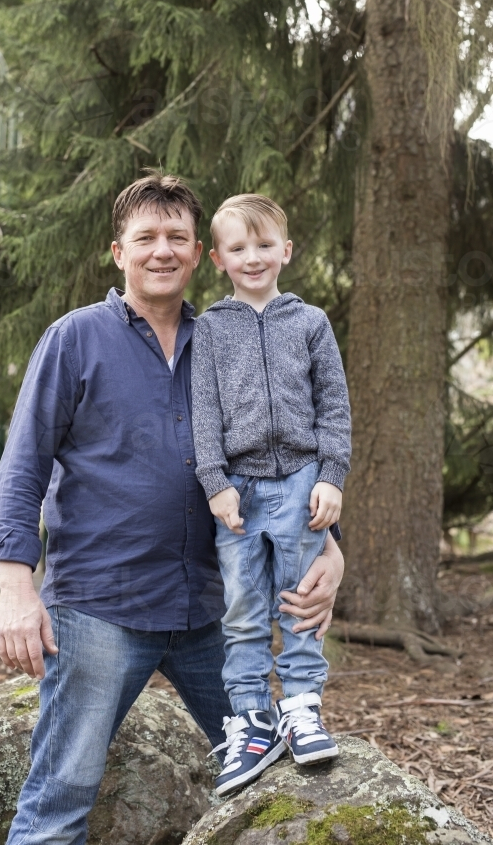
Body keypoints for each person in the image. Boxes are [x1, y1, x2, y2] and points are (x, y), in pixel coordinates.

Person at [0, 173, 345, 845]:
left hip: (208, 607)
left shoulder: (228, 335)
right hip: (100, 606)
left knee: (273, 780)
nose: (161, 250)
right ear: (117, 252)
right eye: (145, 237)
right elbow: (24, 463)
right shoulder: (75, 339)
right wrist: (14, 586)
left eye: (175, 236)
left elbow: (281, 444)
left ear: (196, 252)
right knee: (60, 797)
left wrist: (328, 546)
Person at [191, 193, 351, 796]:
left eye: (264, 246)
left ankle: (302, 705)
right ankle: (252, 719)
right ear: (217, 258)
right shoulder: (208, 329)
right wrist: (216, 486)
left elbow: (334, 405)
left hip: (302, 483)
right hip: (238, 491)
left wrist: (331, 477)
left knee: (300, 601)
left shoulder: (310, 322)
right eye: (238, 248)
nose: (252, 258)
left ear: (286, 250)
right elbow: (202, 413)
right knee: (242, 609)